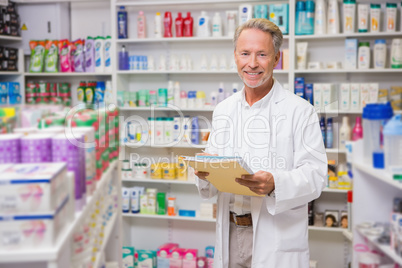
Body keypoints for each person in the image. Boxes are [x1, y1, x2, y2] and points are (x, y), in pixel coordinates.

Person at [195, 18, 327, 268]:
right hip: (230, 232)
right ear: (235, 56)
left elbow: (316, 175)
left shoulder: (300, 111)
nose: (252, 63)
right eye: (245, 53)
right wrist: (204, 171)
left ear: (276, 58)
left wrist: (275, 183)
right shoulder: (224, 110)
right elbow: (213, 172)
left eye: (262, 54)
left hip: (274, 235)